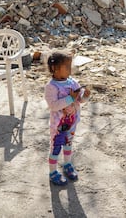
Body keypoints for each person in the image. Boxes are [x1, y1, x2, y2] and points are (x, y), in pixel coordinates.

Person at [44, 50, 91, 185]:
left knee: (68, 144)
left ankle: (67, 164)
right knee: (56, 147)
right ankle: (53, 172)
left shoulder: (72, 82)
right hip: (58, 126)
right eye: (67, 67)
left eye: (70, 66)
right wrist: (70, 97)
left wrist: (85, 96)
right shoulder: (51, 87)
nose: (70, 69)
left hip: (71, 123)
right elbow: (53, 106)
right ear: (54, 69)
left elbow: (79, 100)